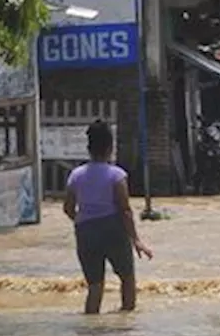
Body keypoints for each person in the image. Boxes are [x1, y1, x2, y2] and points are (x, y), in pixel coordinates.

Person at [62, 120, 153, 315]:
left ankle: (92, 328)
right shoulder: (117, 175)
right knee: (127, 279)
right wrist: (136, 240)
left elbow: (68, 208)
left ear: (88, 148)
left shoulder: (76, 175)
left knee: (95, 286)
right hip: (113, 229)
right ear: (110, 148)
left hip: (85, 231)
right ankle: (126, 324)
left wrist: (82, 220)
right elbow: (125, 210)